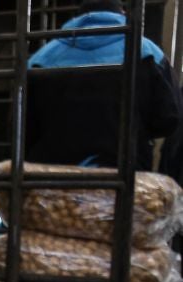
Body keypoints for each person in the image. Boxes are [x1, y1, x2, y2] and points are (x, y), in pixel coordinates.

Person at [26, 0, 181, 169]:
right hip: (127, 179)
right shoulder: (148, 53)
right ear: (122, 12)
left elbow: (21, 127)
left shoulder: (40, 59)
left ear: (78, 15)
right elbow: (168, 118)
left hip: (54, 184)